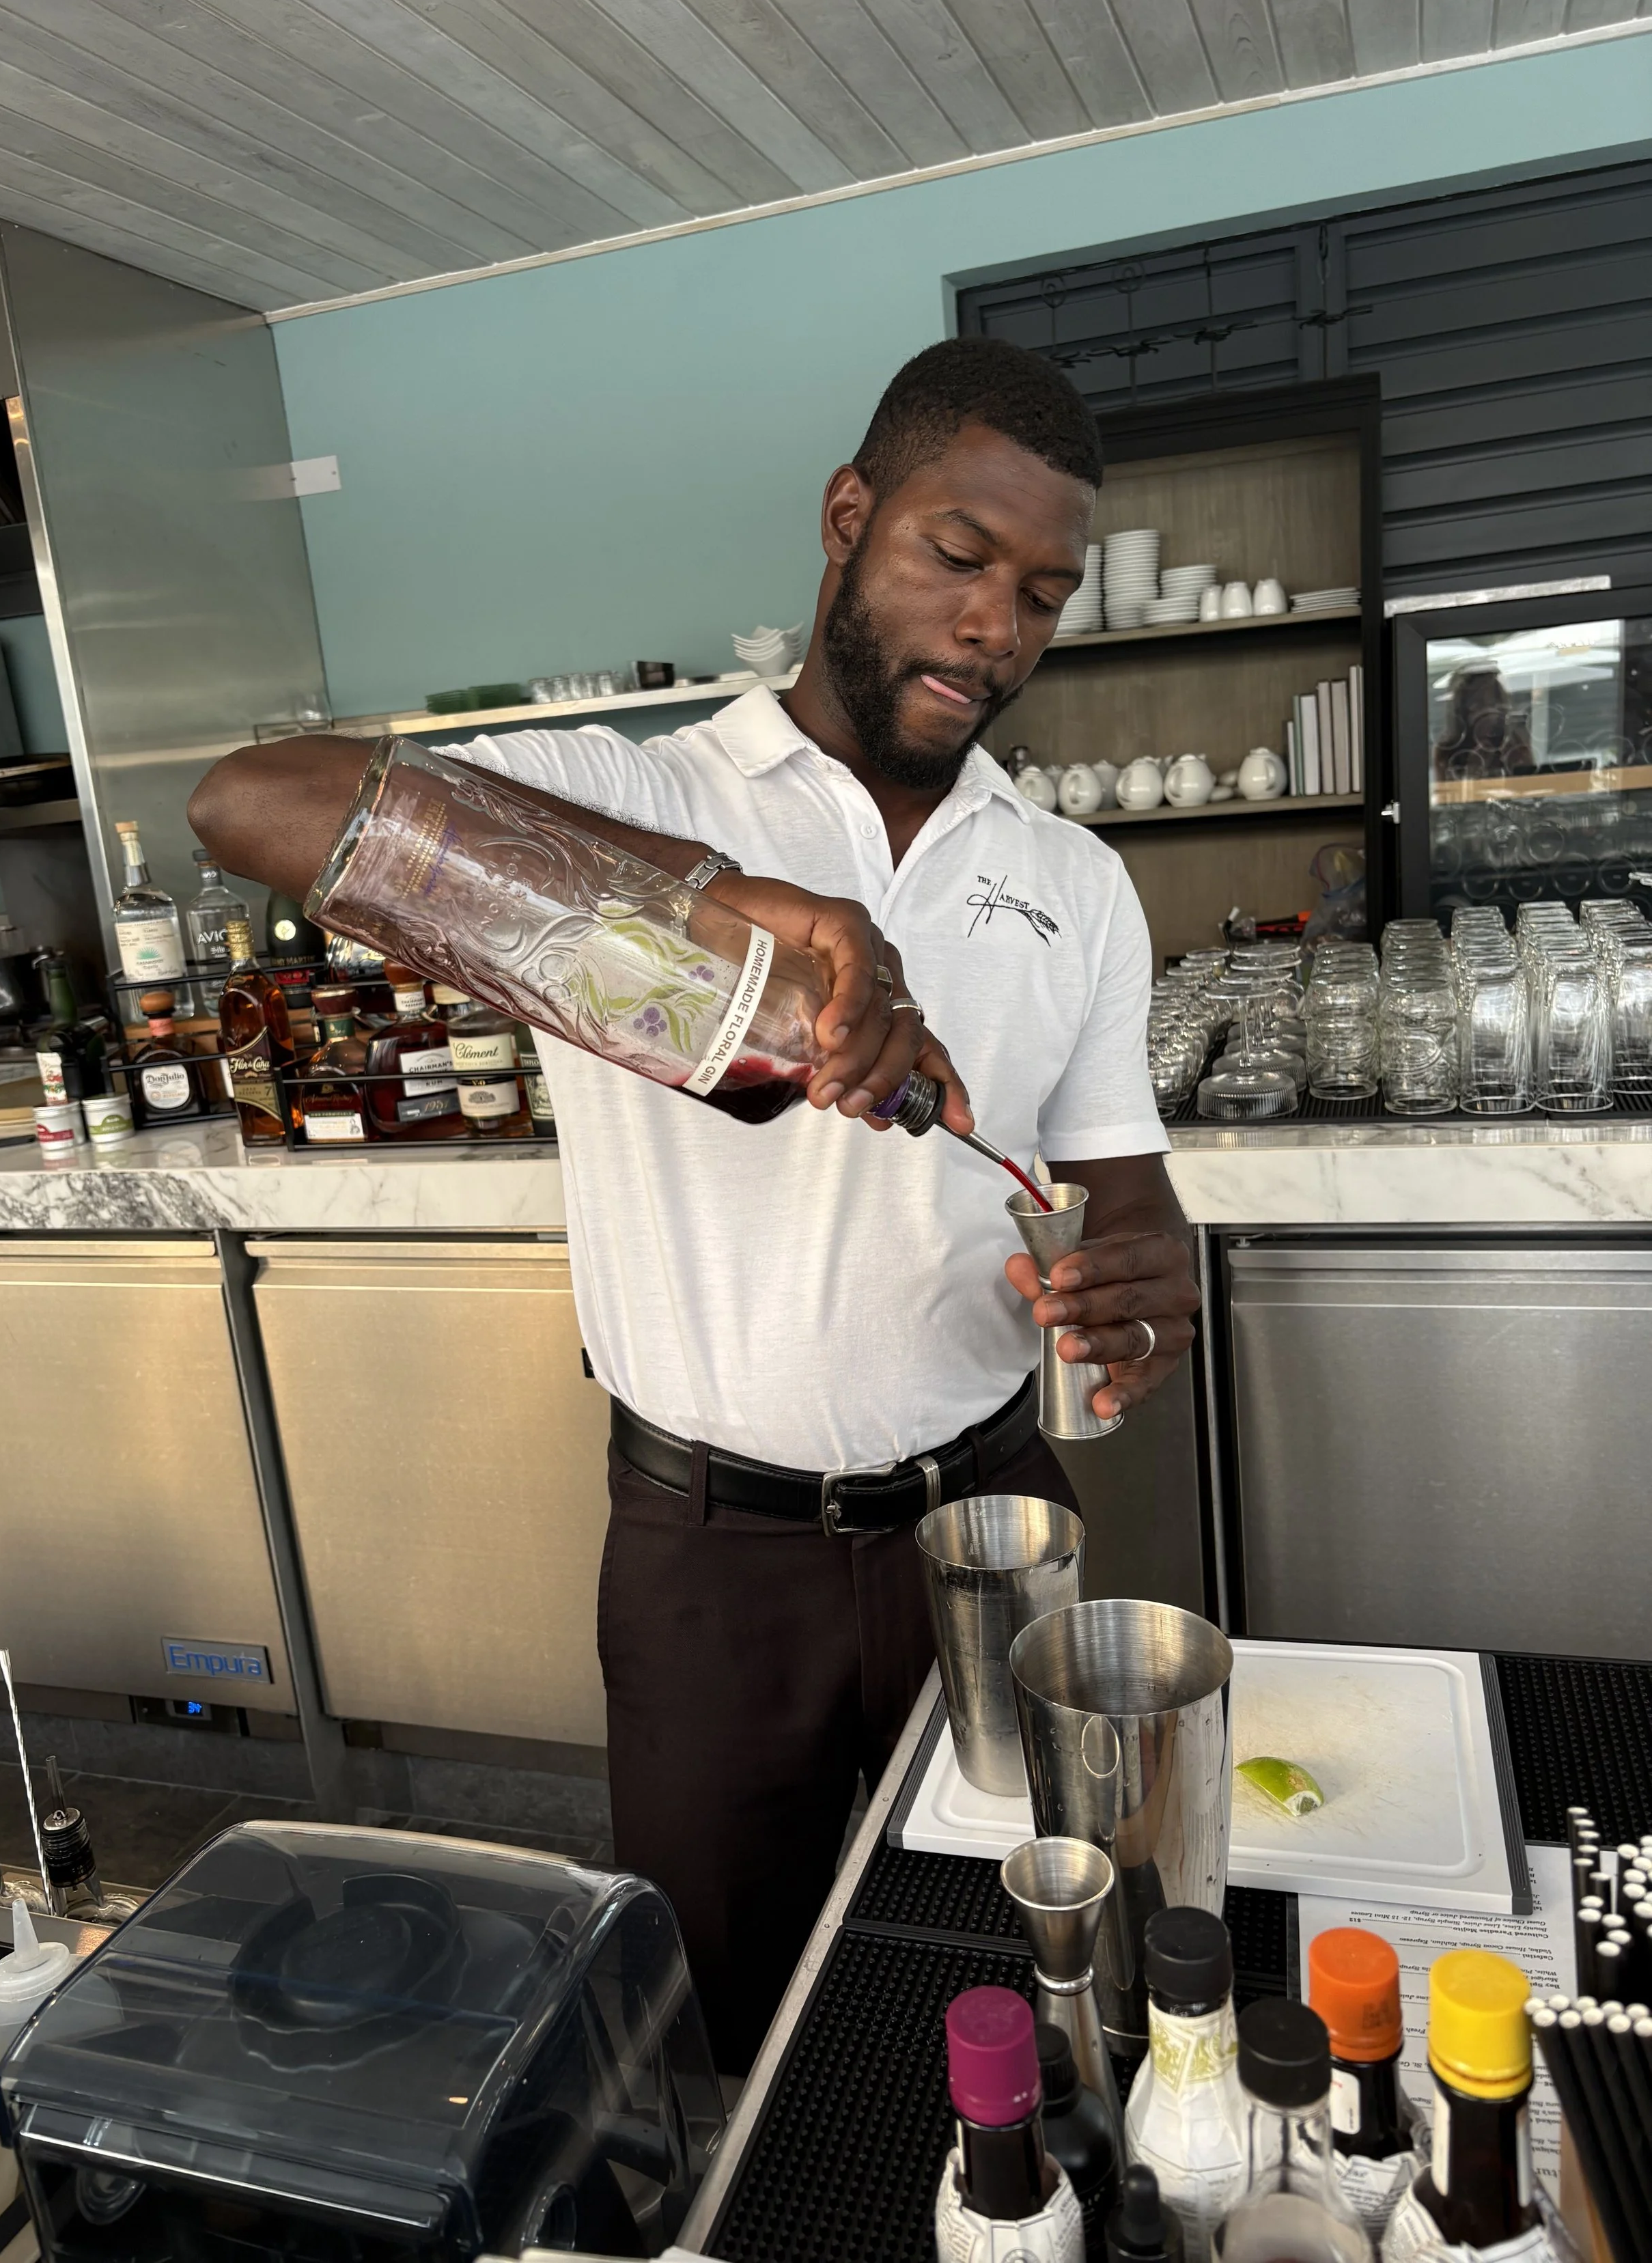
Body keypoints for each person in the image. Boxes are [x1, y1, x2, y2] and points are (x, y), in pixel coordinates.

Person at [188, 336, 1200, 2072]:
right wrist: (737, 902)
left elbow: (1127, 1186)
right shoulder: (637, 796)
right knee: (718, 2010)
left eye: (1040, 594)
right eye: (957, 558)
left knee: (1013, 1980)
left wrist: (1141, 1287)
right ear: (847, 516)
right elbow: (248, 802)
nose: (995, 628)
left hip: (992, 1525)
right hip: (710, 1556)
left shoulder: (1070, 877)